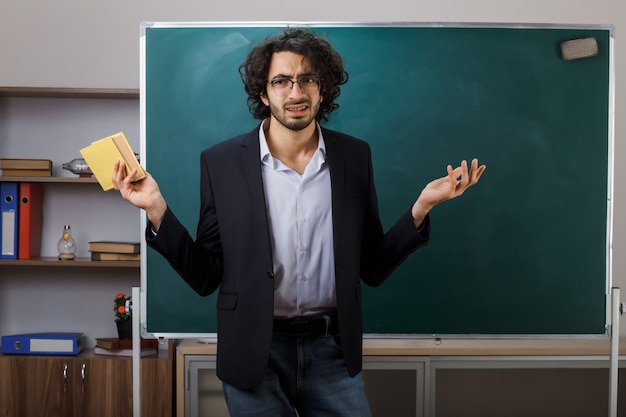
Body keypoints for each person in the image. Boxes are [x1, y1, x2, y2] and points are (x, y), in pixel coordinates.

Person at [113, 28, 485, 417]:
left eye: (308, 79)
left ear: (323, 90)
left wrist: (421, 208)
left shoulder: (354, 158)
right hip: (255, 353)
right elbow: (206, 275)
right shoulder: (221, 163)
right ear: (263, 92)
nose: (296, 92)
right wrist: (157, 210)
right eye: (282, 81)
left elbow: (372, 268)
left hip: (333, 352)